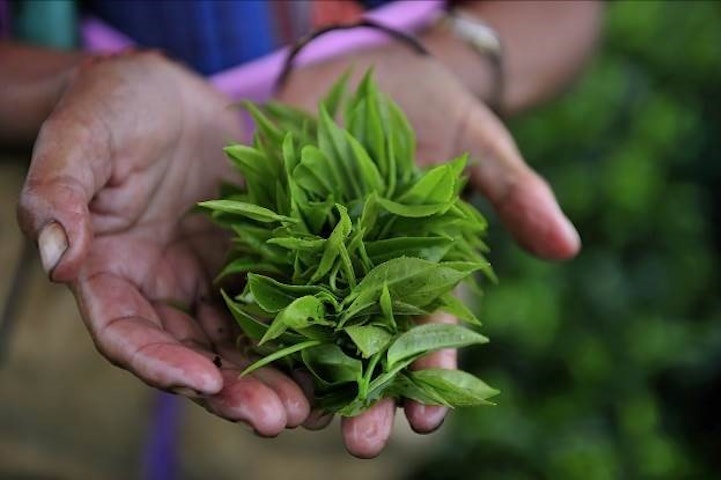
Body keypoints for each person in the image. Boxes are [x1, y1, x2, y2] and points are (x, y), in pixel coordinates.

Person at [1, 0, 601, 459]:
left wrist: (454, 60)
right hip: (94, 220)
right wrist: (70, 88)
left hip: (332, 341)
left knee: (327, 440)